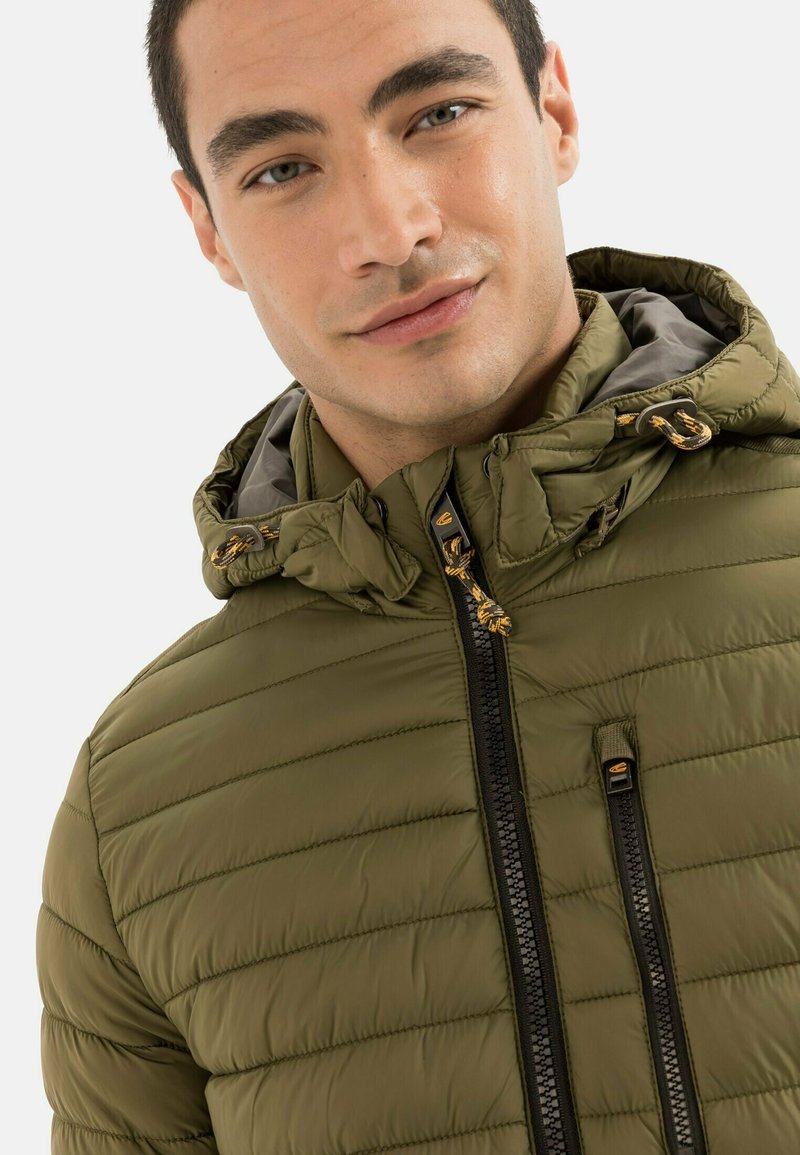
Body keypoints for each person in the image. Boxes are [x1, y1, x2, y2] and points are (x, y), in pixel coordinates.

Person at [36, 0, 800, 1152]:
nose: (388, 231)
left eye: (436, 112)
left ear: (552, 112)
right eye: (282, 168)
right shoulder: (135, 807)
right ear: (207, 229)